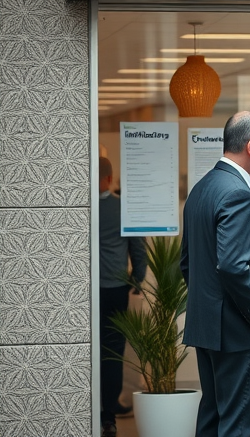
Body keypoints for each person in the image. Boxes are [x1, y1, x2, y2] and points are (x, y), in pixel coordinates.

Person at [180, 111, 250, 437]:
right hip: (240, 331)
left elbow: (189, 263)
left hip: (209, 327)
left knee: (214, 420)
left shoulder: (202, 188)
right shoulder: (237, 193)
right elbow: (230, 266)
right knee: (239, 426)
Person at [98, 156, 147, 437]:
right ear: (109, 178)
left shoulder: (82, 208)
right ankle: (109, 415)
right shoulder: (124, 208)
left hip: (85, 293)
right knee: (113, 351)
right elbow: (138, 250)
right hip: (116, 290)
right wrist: (136, 280)